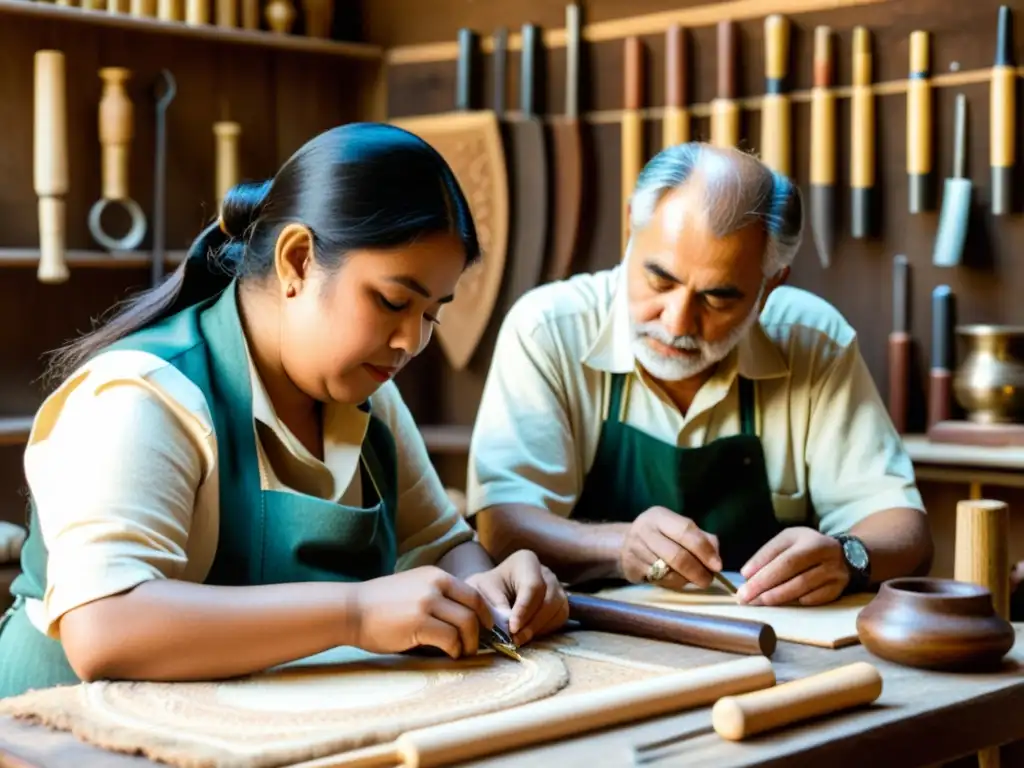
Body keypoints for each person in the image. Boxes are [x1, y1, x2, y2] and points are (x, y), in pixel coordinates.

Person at [0, 123, 568, 699]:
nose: (411, 342)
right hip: (54, 736)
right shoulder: (140, 396)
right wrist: (356, 613)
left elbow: (442, 544)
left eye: (431, 313)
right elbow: (104, 630)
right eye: (393, 301)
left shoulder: (368, 396)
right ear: (297, 261)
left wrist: (490, 590)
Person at [467, 143, 933, 608]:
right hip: (587, 640)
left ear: (771, 286)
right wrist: (621, 546)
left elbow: (905, 531)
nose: (677, 322)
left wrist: (848, 557)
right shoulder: (548, 329)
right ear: (630, 225)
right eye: (660, 280)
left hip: (773, 645)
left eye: (717, 298)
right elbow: (503, 527)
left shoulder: (814, 341)